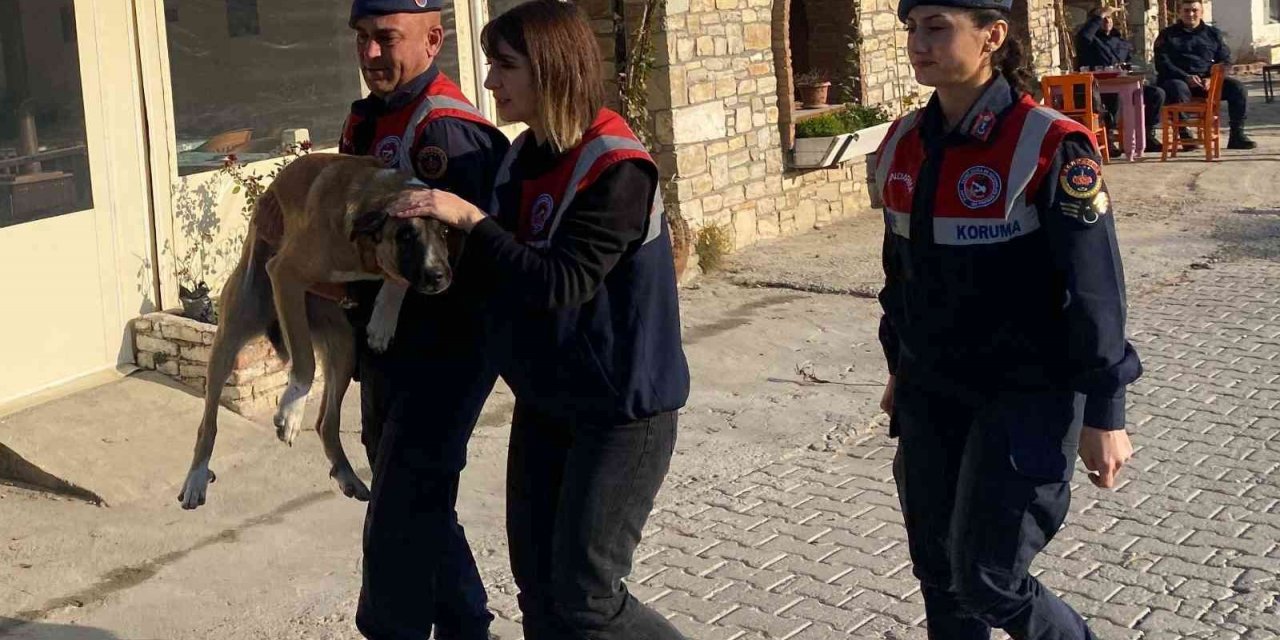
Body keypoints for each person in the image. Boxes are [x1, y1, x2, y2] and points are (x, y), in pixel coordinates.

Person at [387, 2, 691, 638]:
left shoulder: (616, 167)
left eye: (505, 65)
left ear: (551, 70)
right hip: (548, 402)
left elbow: (559, 283)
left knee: (588, 601)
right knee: (538, 589)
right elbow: (490, 276)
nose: (491, 80)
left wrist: (470, 219)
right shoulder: (524, 154)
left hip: (621, 414)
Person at [875, 1, 1142, 638]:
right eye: (912, 28)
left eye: (938, 27)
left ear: (993, 35)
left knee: (988, 579)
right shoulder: (902, 145)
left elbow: (1095, 290)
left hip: (1027, 394)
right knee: (939, 575)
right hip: (932, 392)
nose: (920, 43)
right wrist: (898, 370)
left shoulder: (1050, 144)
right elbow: (899, 282)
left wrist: (1105, 412)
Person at [340, 1, 510, 638]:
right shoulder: (375, 118)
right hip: (388, 351)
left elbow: (469, 263)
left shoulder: (444, 129)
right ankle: (468, 626)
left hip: (440, 355)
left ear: (434, 38)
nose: (371, 53)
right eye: (362, 38)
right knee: (415, 497)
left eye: (386, 38)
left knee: (401, 516)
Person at [1154, 0, 1257, 150]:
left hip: (1207, 82)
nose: (1190, 14)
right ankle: (1184, 134)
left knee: (1238, 88)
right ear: (1180, 13)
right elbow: (1162, 63)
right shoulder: (1167, 35)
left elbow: (1225, 61)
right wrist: (1185, 77)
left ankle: (1237, 135)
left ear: (1201, 12)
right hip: (1179, 81)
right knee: (1176, 87)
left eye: (1194, 10)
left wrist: (1213, 78)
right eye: (1187, 10)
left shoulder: (1212, 34)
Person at [1075, 5, 1165, 152]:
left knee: (1156, 93)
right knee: (1113, 97)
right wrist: (1100, 14)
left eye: (1109, 18)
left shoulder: (1121, 41)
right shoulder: (1088, 41)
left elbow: (1129, 64)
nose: (1106, 21)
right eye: (1103, 18)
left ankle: (1148, 134)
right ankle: (1108, 138)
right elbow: (1084, 36)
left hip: (1123, 83)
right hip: (1097, 88)